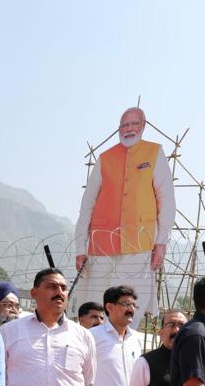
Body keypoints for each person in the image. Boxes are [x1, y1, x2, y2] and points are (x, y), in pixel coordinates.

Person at [74, 107, 176, 318]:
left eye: (134, 124)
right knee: (98, 304)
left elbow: (166, 199)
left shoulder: (154, 153)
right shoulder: (105, 158)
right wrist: (79, 247)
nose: (129, 129)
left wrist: (161, 242)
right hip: (101, 244)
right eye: (124, 125)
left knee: (132, 305)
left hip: (139, 242)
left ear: (143, 126)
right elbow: (87, 204)